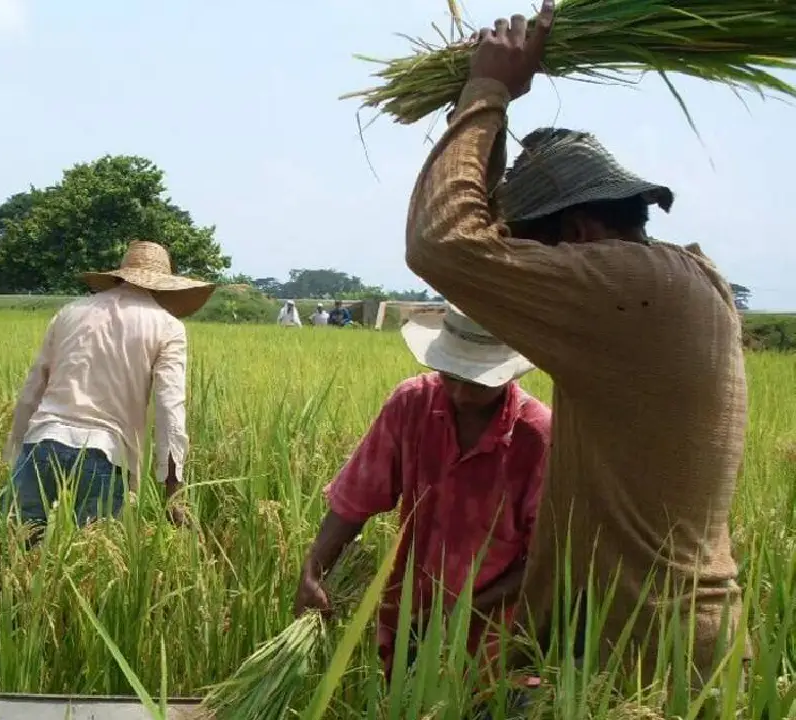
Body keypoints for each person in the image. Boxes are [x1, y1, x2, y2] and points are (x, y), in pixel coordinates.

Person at [402, 0, 747, 684]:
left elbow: (442, 243)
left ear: (581, 234)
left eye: (534, 254)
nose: (523, 277)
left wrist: (488, 88)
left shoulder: (626, 287)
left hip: (646, 652)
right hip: (643, 638)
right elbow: (482, 245)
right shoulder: (676, 285)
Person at [293, 304, 549, 679]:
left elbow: (547, 560)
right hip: (408, 619)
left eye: (477, 381)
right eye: (450, 375)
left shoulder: (538, 436)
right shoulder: (411, 404)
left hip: (495, 640)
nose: (460, 393)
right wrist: (314, 570)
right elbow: (354, 499)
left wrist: (460, 613)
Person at [0, 240, 214, 542]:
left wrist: (17, 453)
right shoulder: (168, 327)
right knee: (90, 565)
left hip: (43, 442)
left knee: (4, 549)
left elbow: (33, 388)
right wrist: (172, 490)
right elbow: (169, 410)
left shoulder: (70, 312)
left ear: (118, 276)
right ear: (164, 287)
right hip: (106, 455)